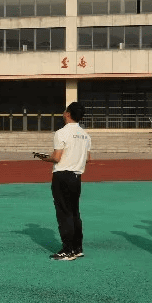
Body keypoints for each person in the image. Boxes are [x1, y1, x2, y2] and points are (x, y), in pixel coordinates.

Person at [35, 102, 91, 261]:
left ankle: (67, 249)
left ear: (68, 114)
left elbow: (56, 158)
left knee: (63, 213)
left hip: (62, 176)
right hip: (76, 176)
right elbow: (88, 158)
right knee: (74, 212)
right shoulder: (85, 135)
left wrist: (43, 157)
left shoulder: (61, 133)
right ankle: (77, 247)